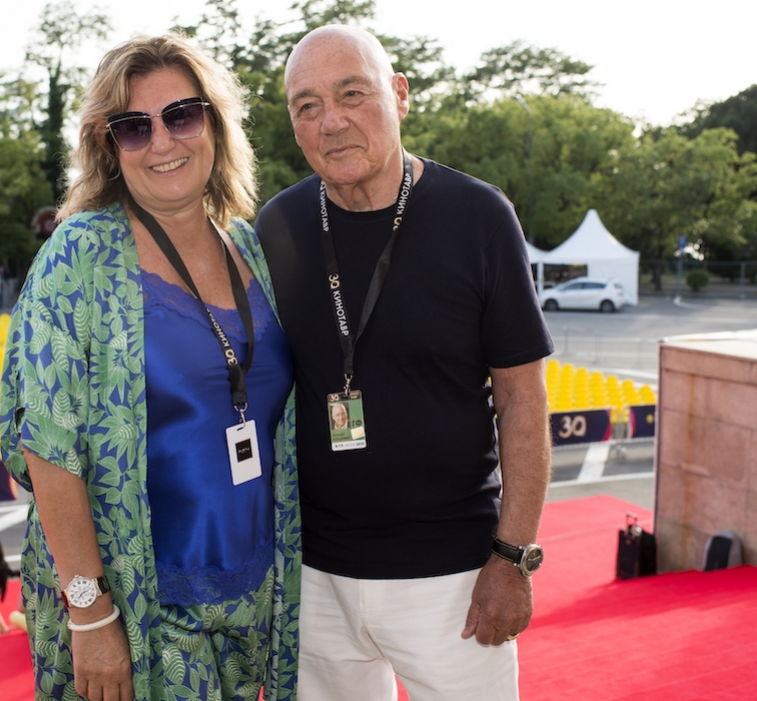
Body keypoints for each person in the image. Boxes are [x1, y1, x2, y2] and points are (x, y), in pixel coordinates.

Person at [255, 25, 553, 700]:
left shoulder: (479, 217)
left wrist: (513, 556)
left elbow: (522, 400)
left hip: (453, 576)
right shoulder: (277, 227)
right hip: (315, 576)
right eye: (307, 105)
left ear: (399, 95)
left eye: (351, 94)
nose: (331, 121)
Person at [0, 34, 299, 701]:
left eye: (182, 116)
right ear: (109, 146)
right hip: (140, 609)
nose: (162, 141)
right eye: (134, 127)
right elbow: (46, 443)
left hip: (255, 595)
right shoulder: (79, 255)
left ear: (215, 124)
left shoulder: (248, 244)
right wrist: (90, 612)